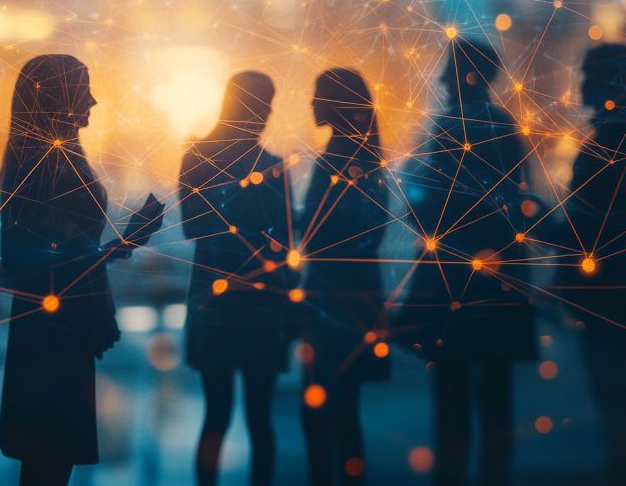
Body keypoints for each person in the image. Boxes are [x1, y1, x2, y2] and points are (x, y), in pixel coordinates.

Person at [0, 54, 162, 486]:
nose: (92, 98)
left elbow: (52, 255)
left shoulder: (46, 157)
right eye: (82, 87)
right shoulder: (47, 165)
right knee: (51, 455)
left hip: (52, 326)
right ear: (59, 97)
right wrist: (122, 245)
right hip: (56, 331)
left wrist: (118, 247)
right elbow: (35, 258)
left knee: (48, 457)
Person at [394, 39, 537, 486]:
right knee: (495, 394)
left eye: (447, 70)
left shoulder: (446, 129)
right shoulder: (505, 129)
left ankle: (452, 478)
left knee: (451, 392)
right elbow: (519, 203)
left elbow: (423, 205)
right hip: (500, 280)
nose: (438, 79)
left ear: (465, 76)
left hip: (452, 282)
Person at [179, 71, 295, 486]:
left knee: (217, 415)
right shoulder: (273, 167)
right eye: (263, 104)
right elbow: (286, 245)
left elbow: (193, 229)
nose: (265, 114)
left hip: (215, 301)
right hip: (262, 305)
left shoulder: (196, 156)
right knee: (260, 418)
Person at [299, 69, 391, 485]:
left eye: (318, 96)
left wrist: (293, 222)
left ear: (335, 102)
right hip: (351, 297)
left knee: (323, 409)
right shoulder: (363, 155)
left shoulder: (343, 157)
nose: (311, 104)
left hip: (333, 301)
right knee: (340, 408)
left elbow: (334, 229)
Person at [555, 44, 626, 486]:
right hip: (605, 299)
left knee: (615, 406)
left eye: (589, 76)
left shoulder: (608, 145)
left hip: (607, 301)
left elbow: (592, 232)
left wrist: (531, 221)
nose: (581, 85)